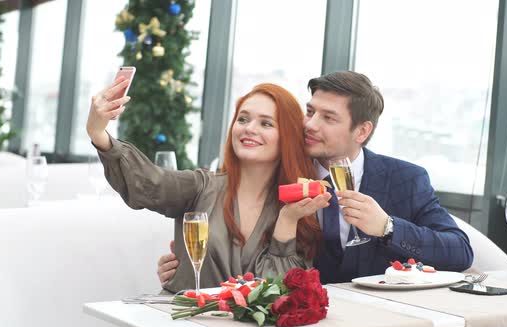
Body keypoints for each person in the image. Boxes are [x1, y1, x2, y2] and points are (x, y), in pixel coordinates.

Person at [158, 71, 474, 285]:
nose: (309, 124)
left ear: (362, 131)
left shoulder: (406, 179)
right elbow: (240, 251)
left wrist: (387, 228)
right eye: (310, 112)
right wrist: (187, 268)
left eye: (328, 117)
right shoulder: (277, 173)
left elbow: (459, 252)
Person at [87, 77, 330, 292]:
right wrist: (99, 134)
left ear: (287, 137)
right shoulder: (201, 186)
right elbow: (150, 181)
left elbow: (279, 292)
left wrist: (287, 221)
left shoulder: (298, 207)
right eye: (243, 119)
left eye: (266, 123)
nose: (249, 129)